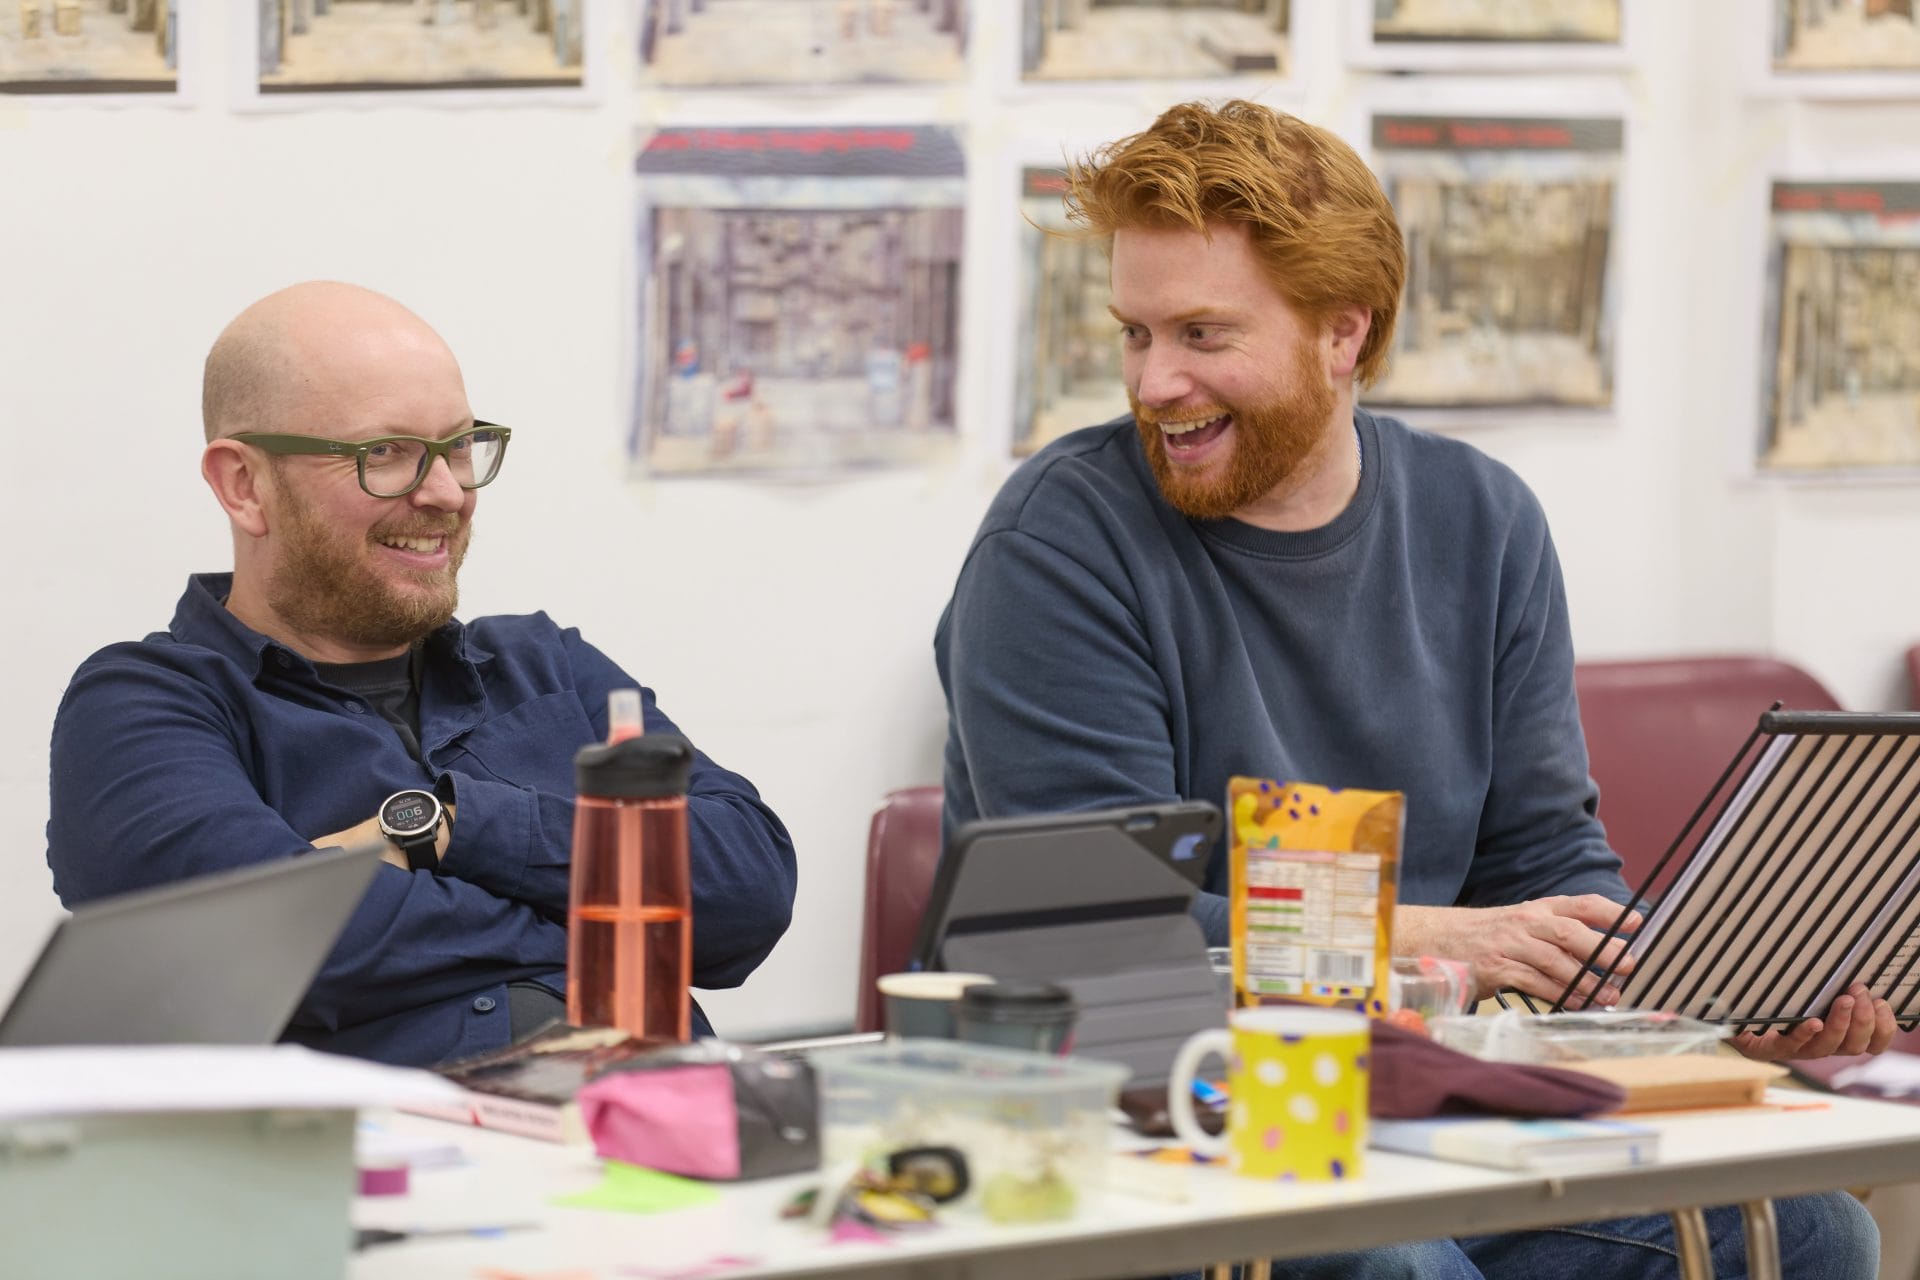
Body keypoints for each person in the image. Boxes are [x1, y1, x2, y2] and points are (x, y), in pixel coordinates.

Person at [935, 101, 1886, 1279]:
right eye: (1135, 332)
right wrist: (1443, 942)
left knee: (1810, 1232)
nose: (1156, 380)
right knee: (1399, 1267)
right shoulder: (1056, 545)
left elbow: (1547, 867)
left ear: (1345, 333)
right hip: (1166, 1126)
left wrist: (1706, 995)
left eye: (1202, 333)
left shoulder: (1481, 520)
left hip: (1425, 1113)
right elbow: (1085, 931)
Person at [46, 282, 797, 1068]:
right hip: (402, 1180)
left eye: (459, 446)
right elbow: (268, 951)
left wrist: (447, 828)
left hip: (685, 1144)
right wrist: (624, 916)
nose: (446, 494)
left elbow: (749, 889)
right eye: (386, 454)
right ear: (245, 485)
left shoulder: (548, 666)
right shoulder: (143, 708)